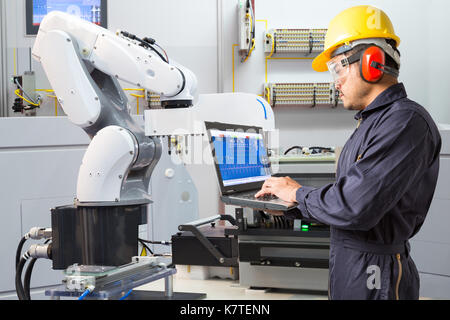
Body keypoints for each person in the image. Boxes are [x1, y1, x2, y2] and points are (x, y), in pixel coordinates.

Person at [255, 5, 441, 300]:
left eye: (338, 67)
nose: (334, 81)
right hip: (353, 265)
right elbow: (348, 201)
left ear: (372, 62)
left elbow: (355, 207)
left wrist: (298, 193)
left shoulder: (405, 122)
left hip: (375, 274)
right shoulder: (373, 123)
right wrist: (287, 207)